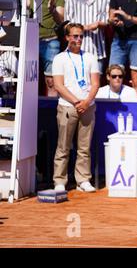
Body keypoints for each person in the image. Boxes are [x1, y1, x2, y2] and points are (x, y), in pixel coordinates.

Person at [52, 23, 100, 192]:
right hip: (67, 106)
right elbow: (58, 85)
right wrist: (76, 102)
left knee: (84, 147)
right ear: (67, 37)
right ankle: (60, 181)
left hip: (88, 106)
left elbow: (95, 83)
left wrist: (86, 102)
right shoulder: (59, 58)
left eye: (81, 36)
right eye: (75, 36)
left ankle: (83, 179)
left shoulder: (90, 57)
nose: (79, 39)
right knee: (63, 146)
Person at [65, 0, 110, 75]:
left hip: (97, 50)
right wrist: (88, 27)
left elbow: (107, 22)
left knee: (95, 86)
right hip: (75, 51)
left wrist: (99, 24)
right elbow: (67, 26)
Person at [38, 0, 65, 97]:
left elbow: (60, 20)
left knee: (51, 81)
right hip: (31, 41)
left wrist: (52, 10)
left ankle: (51, 111)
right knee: (26, 78)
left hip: (51, 40)